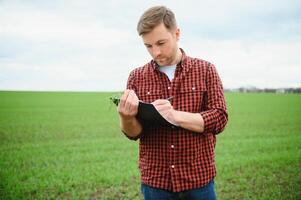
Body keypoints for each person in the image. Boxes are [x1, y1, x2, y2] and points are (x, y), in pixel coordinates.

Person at [117, 5, 228, 200]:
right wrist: (126, 117)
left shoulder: (206, 70)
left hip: (198, 179)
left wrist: (175, 116)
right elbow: (134, 133)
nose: (156, 52)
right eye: (148, 46)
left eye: (161, 42)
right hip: (156, 182)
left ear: (176, 33)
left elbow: (219, 118)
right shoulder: (136, 77)